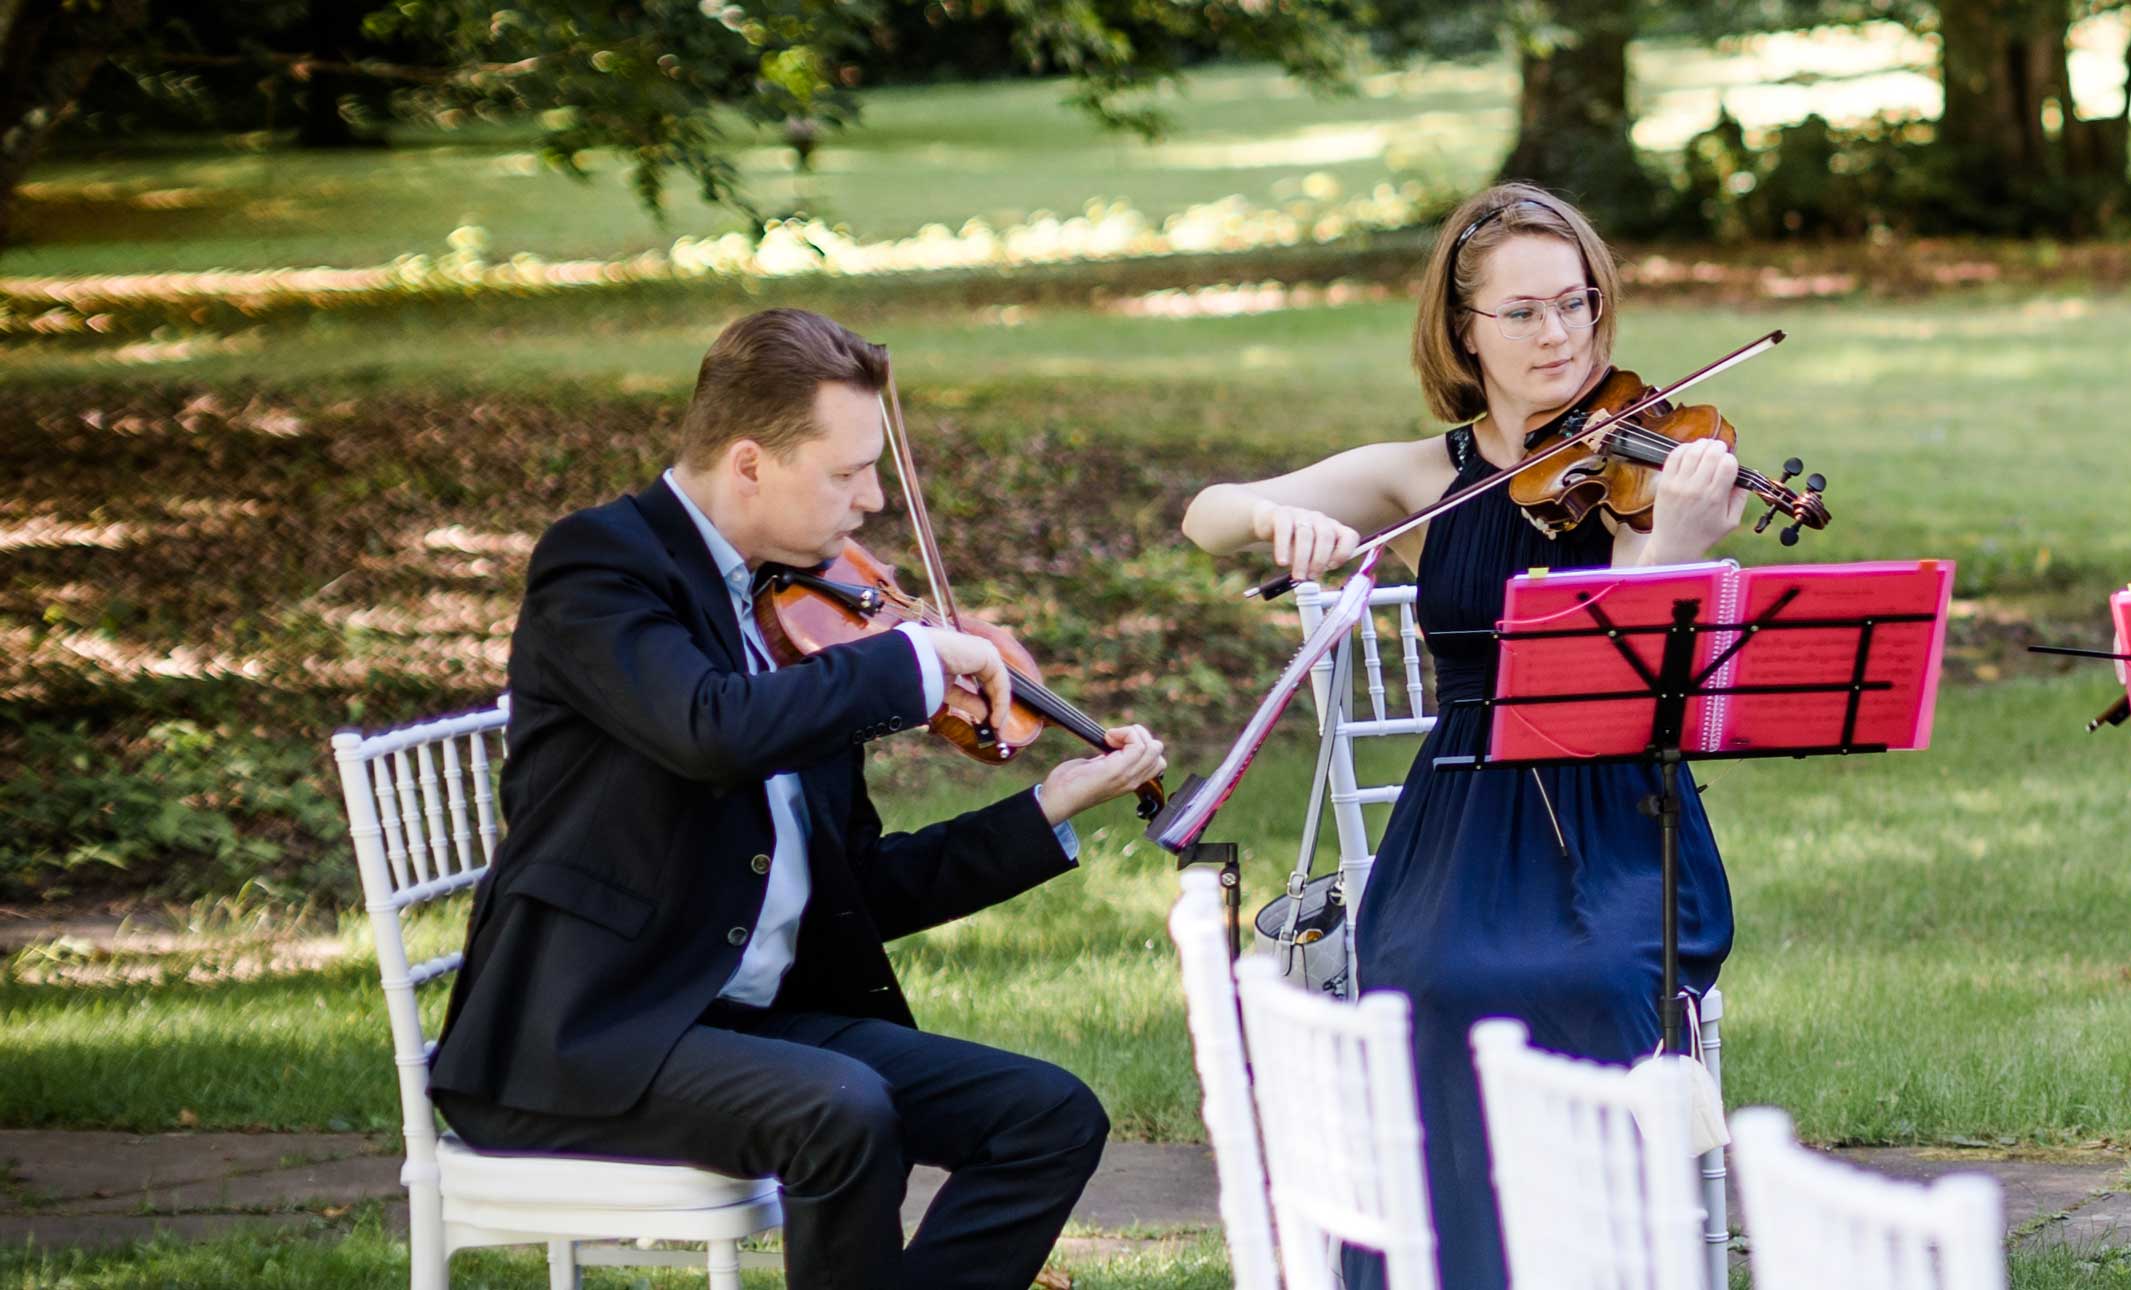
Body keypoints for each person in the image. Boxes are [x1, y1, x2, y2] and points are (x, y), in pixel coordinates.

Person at [430, 307, 1168, 1290]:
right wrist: (908, 661)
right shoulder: (601, 567)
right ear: (749, 464)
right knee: (842, 1108)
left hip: (746, 1024)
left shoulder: (799, 624)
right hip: (585, 1036)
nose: (870, 501)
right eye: (845, 472)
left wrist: (1046, 810)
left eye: (874, 468)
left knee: (1047, 1117)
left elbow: (856, 885)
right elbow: (709, 730)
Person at [1175, 182, 1749, 1284]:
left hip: (1619, 817)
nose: (1560, 335)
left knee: (1588, 984)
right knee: (1431, 986)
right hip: (1460, 816)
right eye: (1523, 313)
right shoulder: (1423, 475)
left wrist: (1674, 539)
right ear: (1461, 331)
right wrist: (1268, 517)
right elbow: (1207, 513)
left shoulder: (1653, 470)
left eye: (1577, 304)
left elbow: (1646, 677)